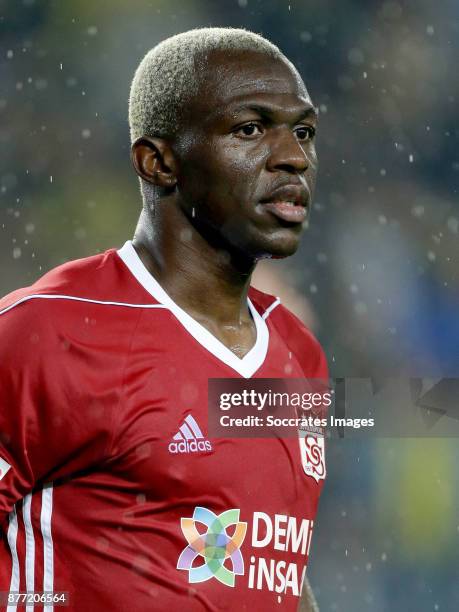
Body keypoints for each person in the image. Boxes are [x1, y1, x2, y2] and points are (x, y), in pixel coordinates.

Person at [0, 28, 327, 611]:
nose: (293, 157)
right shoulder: (48, 333)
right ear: (160, 163)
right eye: (250, 129)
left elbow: (269, 571)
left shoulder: (299, 355)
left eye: (302, 132)